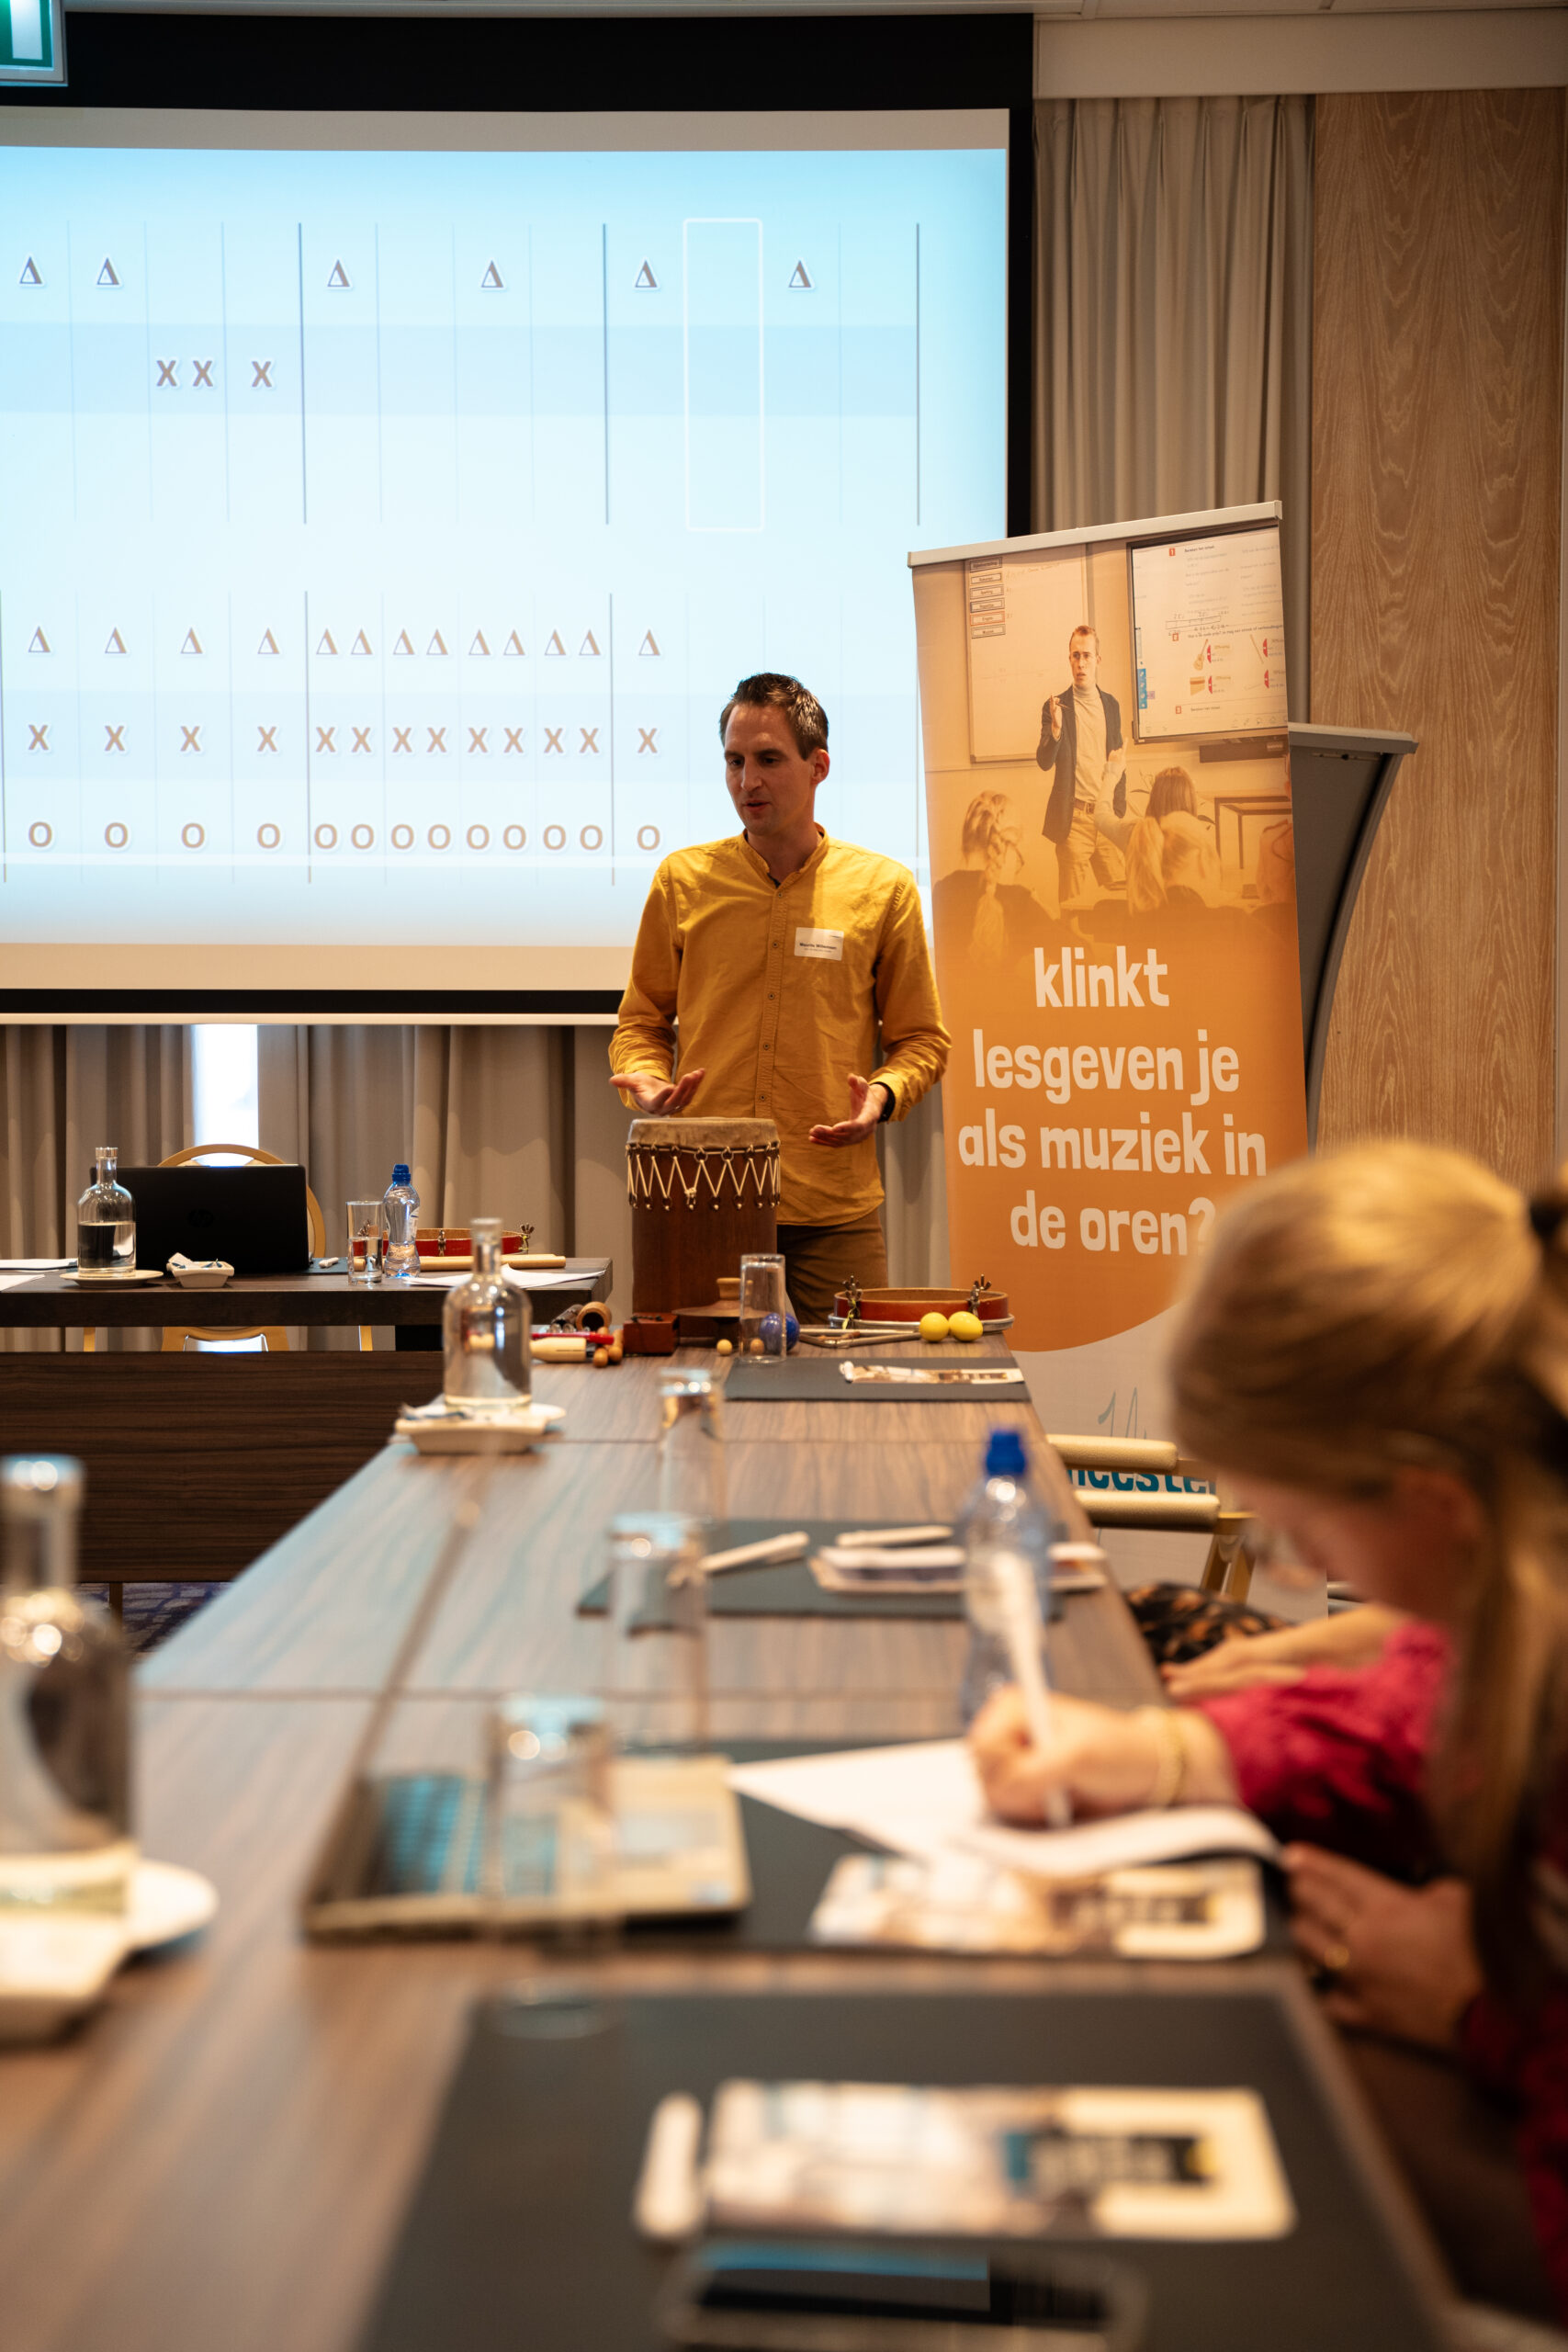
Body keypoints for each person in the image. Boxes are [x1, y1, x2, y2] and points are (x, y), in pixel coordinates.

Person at [969, 1142, 1568, 2331]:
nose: (1299, 1570)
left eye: (1303, 1532)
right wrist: (1172, 1755)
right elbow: (1411, 1713)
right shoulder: (1514, 1605)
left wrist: (1478, 2009)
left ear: (1432, 1503)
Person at [608, 673, 950, 1324]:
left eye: (767, 759)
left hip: (832, 1204)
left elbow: (921, 1041)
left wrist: (881, 1096)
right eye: (734, 762)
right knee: (694, 1377)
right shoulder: (682, 881)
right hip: (703, 1194)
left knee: (846, 1377)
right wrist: (647, 1079)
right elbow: (641, 1022)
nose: (748, 781)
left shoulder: (883, 889)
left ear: (818, 766)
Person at [1035, 624, 1125, 903]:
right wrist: (1056, 730)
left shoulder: (1111, 705)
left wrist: (1117, 811)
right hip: (1074, 821)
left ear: (1097, 659)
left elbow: (1117, 758)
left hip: (1106, 817)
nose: (1081, 663)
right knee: (1071, 908)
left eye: (1087, 655)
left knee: (1121, 904)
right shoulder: (1056, 706)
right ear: (1069, 659)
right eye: (1076, 656)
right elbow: (1044, 761)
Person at [931, 792, 1059, 983]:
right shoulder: (1021, 902)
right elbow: (1084, 957)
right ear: (1009, 848)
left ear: (965, 842)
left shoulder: (941, 892)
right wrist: (1050, 916)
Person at [1093, 762, 1199, 857]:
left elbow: (1101, 817)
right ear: (1190, 801)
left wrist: (1111, 773)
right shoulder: (1200, 842)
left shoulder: (1136, 832)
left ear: (1154, 798)